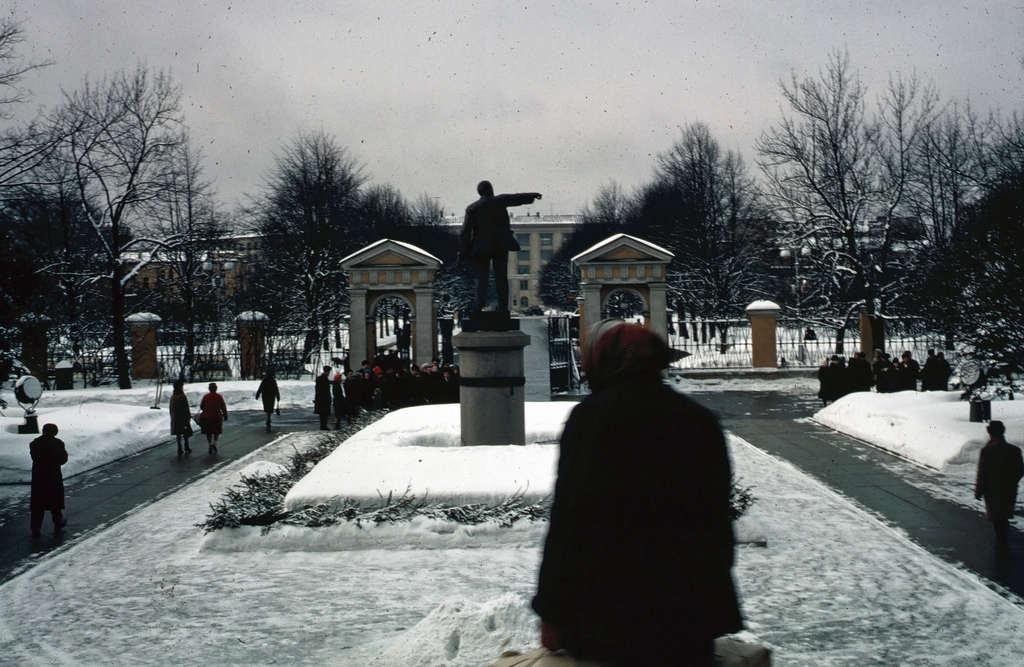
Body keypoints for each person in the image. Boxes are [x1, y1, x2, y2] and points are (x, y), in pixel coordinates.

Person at [532, 320, 742, 665]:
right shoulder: (700, 420)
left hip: (606, 617)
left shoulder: (592, 419)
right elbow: (716, 525)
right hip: (684, 618)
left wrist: (552, 611)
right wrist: (710, 610)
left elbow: (570, 523)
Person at [460, 180, 542, 313]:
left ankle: (478, 306)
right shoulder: (499, 201)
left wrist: (463, 252)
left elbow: (465, 233)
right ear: (491, 190)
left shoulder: (472, 208)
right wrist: (531, 196)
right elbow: (516, 198)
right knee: (501, 277)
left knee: (481, 278)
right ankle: (504, 308)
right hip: (500, 245)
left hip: (481, 248)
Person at [975, 421, 1024, 560]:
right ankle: (1003, 543)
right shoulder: (1014, 450)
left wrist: (979, 491)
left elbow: (982, 473)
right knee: (1004, 515)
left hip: (992, 490)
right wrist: (1011, 482)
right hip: (1009, 489)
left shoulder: (987, 450)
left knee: (997, 517)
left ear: (990, 433)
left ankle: (1002, 545)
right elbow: (1020, 470)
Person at [30, 423, 69, 539]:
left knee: (38, 504)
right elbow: (63, 459)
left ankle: (35, 528)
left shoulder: (34, 443)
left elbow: (34, 457)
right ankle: (58, 522)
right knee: (55, 502)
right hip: (53, 476)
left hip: (39, 478)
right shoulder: (58, 444)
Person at [199, 382, 228, 455]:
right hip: (216, 416)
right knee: (216, 431)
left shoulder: (206, 397)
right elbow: (223, 407)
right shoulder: (219, 397)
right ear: (216, 389)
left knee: (208, 432)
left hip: (207, 416)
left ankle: (210, 444)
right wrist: (225, 415)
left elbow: (202, 406)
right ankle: (215, 443)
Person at [169, 379, 193, 459]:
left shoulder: (173, 397)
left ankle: (179, 447)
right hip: (183, 417)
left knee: (178, 433)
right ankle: (186, 446)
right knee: (185, 432)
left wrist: (172, 416)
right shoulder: (182, 396)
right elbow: (185, 407)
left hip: (175, 418)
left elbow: (170, 408)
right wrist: (188, 417)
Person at [314, 365, 333, 430]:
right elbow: (325, 391)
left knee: (323, 414)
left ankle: (323, 426)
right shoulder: (324, 379)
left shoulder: (320, 379)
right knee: (324, 414)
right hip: (324, 400)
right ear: (327, 371)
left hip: (321, 399)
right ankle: (323, 426)